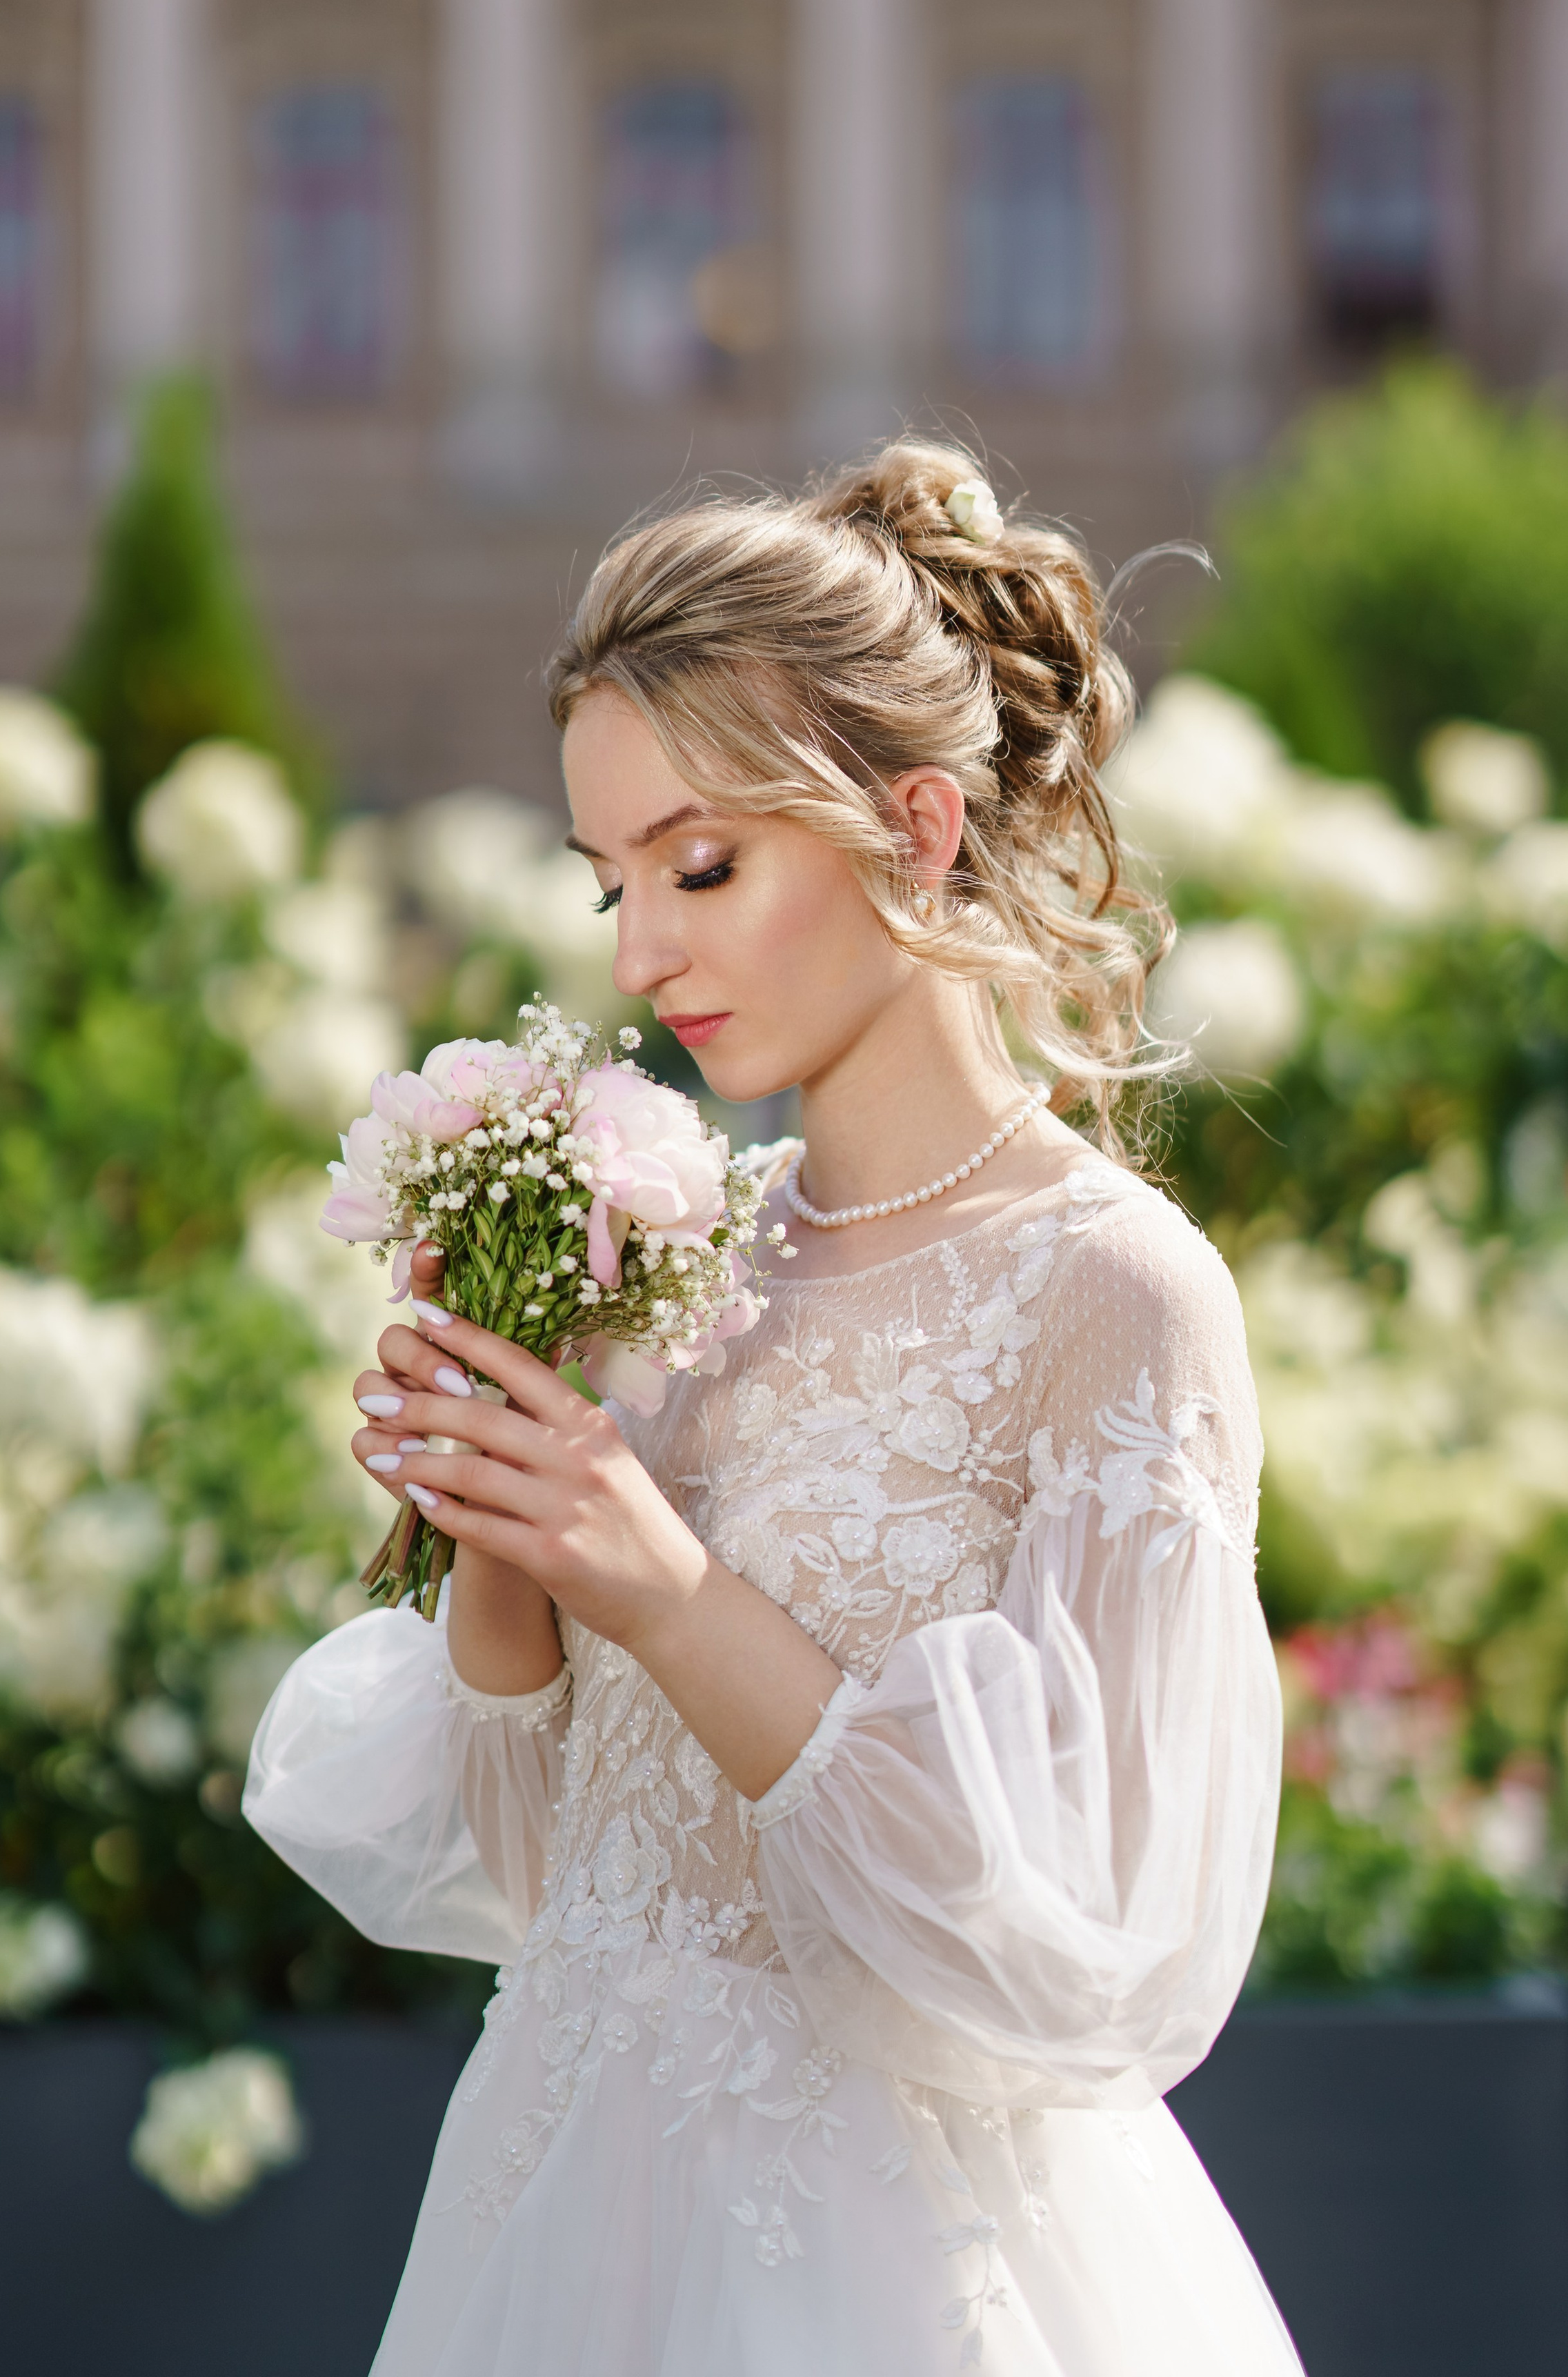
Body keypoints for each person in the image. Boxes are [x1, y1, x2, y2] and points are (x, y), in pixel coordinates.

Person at [245, 441, 1302, 2376]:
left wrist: (654, 1585)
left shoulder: (1116, 1295)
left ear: (911, 829)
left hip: (911, 2282)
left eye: (702, 865)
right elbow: (546, 1869)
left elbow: (1098, 1966)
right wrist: (505, 1523)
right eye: (613, 883)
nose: (643, 954)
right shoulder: (667, 1257)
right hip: (561, 2222)